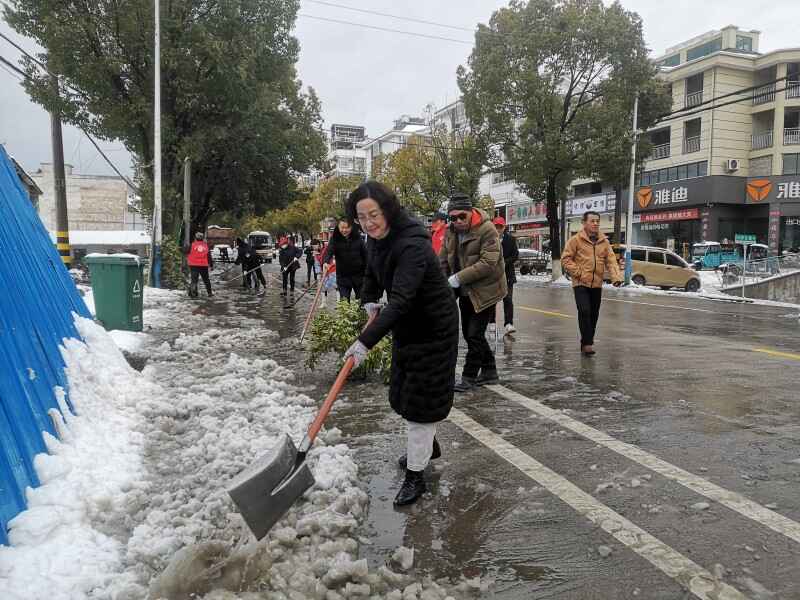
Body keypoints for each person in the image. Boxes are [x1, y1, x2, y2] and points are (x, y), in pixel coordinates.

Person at [342, 181, 458, 506]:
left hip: (433, 328)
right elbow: (372, 272)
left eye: (374, 214)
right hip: (408, 326)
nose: (368, 223)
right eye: (361, 217)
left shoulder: (412, 244)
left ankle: (415, 477)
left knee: (422, 403)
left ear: (388, 210)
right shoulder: (378, 238)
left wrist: (364, 342)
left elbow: (402, 299)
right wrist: (368, 300)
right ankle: (427, 445)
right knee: (405, 391)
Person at [440, 193, 507, 392]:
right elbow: (442, 260)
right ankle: (490, 371)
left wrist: (458, 278)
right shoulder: (450, 232)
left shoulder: (487, 230)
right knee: (470, 335)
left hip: (487, 290)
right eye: (453, 217)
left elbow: (488, 263)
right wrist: (440, 281)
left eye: (462, 216)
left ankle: (468, 377)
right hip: (465, 291)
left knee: (474, 335)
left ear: (470, 212)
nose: (458, 221)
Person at [560, 210, 623, 356]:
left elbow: (611, 260)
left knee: (593, 314)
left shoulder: (604, 242)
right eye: (592, 221)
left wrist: (616, 277)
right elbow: (565, 259)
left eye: (597, 221)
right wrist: (579, 273)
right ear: (584, 223)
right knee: (584, 311)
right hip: (580, 283)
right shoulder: (576, 240)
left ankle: (586, 341)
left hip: (597, 284)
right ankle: (588, 344)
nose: (595, 224)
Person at [324, 217, 366, 301]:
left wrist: (368, 270)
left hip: (358, 275)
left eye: (347, 228)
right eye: (342, 228)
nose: (344, 230)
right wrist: (326, 262)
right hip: (343, 275)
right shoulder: (335, 238)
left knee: (361, 300)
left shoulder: (358, 238)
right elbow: (329, 251)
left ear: (351, 227)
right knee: (344, 301)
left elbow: (365, 254)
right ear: (338, 227)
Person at [493, 217, 519, 336]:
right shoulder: (489, 239)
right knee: (492, 300)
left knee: (508, 299)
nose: (498, 229)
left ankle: (509, 323)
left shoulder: (511, 239)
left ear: (504, 227)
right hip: (492, 275)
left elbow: (515, 255)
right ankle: (491, 322)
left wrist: (504, 262)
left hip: (507, 274)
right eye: (496, 226)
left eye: (500, 227)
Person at [186, 232, 213, 298]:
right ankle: (209, 293)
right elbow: (209, 256)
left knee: (194, 280)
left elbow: (186, 251)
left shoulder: (192, 245)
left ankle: (193, 294)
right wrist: (211, 265)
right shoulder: (206, 246)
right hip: (203, 265)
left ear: (195, 238)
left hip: (193, 265)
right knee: (206, 279)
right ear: (203, 238)